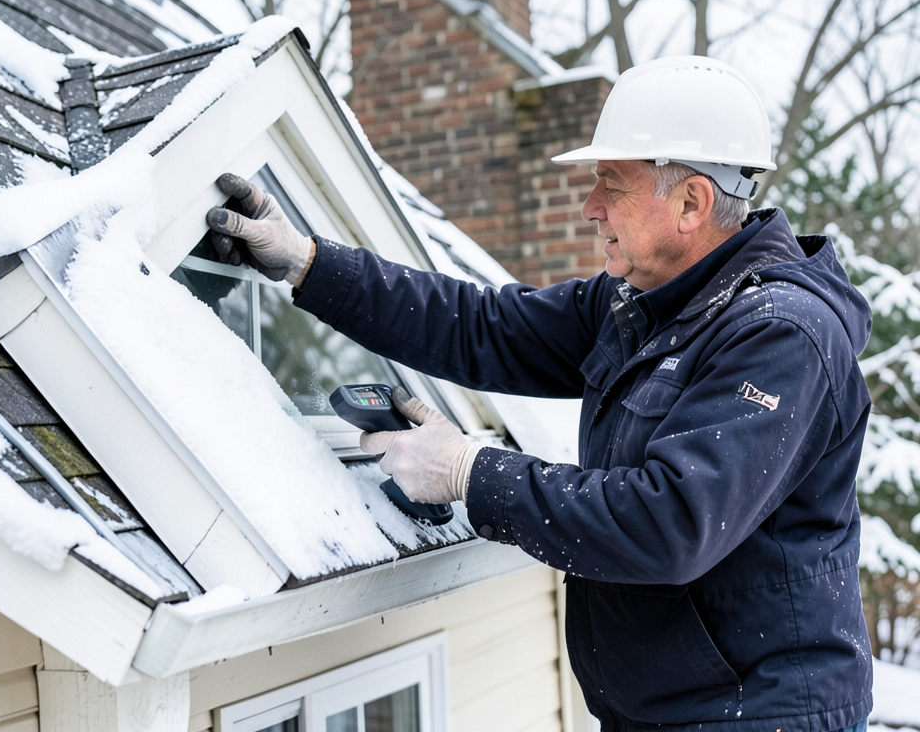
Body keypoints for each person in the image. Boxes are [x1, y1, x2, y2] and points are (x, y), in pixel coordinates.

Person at [206, 56, 873, 732]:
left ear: (691, 203)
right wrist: (310, 265)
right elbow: (478, 327)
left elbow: (670, 524)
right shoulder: (639, 305)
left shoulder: (781, 336)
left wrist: (468, 472)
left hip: (759, 719)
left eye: (610, 185)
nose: (589, 208)